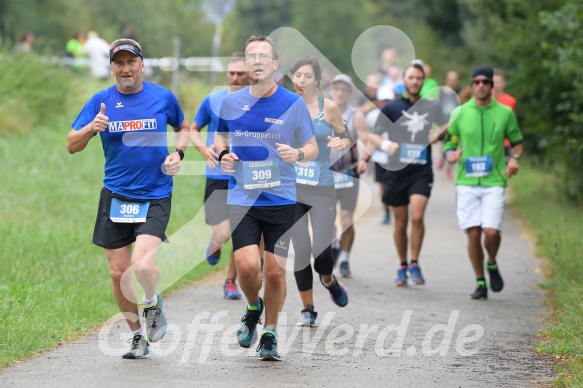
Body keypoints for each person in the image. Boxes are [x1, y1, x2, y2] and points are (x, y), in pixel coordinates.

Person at [66, 38, 189, 359]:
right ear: (112, 69)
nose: (125, 69)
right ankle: (137, 335)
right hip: (116, 195)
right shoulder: (100, 100)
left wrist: (179, 152)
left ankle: (152, 302)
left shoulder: (162, 98)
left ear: (142, 65)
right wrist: (91, 127)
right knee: (118, 274)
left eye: (130, 62)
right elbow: (71, 144)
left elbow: (183, 126)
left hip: (155, 193)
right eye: (119, 63)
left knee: (144, 264)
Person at [215, 35, 318, 361]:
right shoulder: (231, 103)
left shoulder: (292, 103)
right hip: (243, 197)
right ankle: (253, 307)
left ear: (276, 65)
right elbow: (220, 135)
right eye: (250, 56)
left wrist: (298, 153)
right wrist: (223, 154)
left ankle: (270, 332)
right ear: (245, 65)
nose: (256, 61)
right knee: (247, 267)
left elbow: (313, 147)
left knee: (274, 272)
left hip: (282, 199)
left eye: (263, 56)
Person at [443, 66, 523, 300]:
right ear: (472, 84)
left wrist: (515, 160)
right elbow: (450, 140)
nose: (481, 85)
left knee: (491, 231)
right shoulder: (460, 112)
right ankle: (480, 281)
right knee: (473, 233)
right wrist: (450, 154)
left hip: (494, 180)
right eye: (476, 82)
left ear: (491, 85)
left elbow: (517, 142)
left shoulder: (505, 113)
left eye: (485, 82)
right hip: (466, 181)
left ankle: (491, 262)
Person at [364, 62, 447, 286]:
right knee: (400, 222)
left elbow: (446, 127)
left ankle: (415, 263)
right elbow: (373, 135)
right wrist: (385, 145)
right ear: (404, 81)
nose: (415, 82)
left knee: (417, 216)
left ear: (423, 81)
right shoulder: (391, 108)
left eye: (419, 78)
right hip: (397, 171)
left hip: (421, 170)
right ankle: (402, 265)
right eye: (411, 78)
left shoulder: (431, 107)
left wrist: (438, 134)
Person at [289, 57, 350, 327]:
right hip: (292, 189)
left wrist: (342, 140)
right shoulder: (284, 106)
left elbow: (346, 135)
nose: (301, 80)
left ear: (316, 80)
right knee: (301, 249)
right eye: (297, 75)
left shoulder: (330, 108)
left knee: (322, 253)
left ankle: (328, 279)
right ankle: (308, 308)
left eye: (307, 76)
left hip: (323, 186)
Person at [189, 52, 249, 300]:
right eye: (231, 73)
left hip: (244, 178)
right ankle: (215, 244)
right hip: (216, 175)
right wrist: (203, 149)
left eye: (240, 74)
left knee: (241, 233)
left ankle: (230, 282)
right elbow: (194, 129)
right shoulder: (212, 100)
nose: (235, 78)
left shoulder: (256, 102)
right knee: (223, 234)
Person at [329, 74, 370, 276]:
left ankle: (344, 258)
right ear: (331, 90)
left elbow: (368, 140)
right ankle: (334, 244)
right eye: (336, 88)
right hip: (326, 174)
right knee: (328, 219)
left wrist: (365, 160)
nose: (340, 93)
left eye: (344, 89)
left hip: (348, 172)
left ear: (350, 93)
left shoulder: (357, 115)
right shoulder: (322, 113)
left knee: (346, 218)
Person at [437, 70, 462, 179]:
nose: (452, 82)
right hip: (442, 122)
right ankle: (443, 157)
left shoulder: (460, 92)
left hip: (454, 123)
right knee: (442, 143)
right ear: (447, 79)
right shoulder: (441, 91)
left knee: (453, 144)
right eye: (451, 79)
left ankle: (449, 169)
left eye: (454, 79)